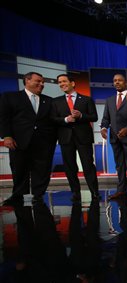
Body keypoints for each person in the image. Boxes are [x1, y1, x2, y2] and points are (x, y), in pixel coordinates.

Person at [0, 72, 57, 205]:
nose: (42, 84)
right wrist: (7, 136)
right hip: (18, 142)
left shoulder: (49, 100)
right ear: (27, 80)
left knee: (42, 169)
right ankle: (18, 195)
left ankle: (38, 195)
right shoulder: (10, 97)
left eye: (43, 82)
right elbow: (3, 118)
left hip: (43, 142)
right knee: (18, 168)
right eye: (38, 81)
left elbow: (53, 121)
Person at [50, 74, 100, 202]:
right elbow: (53, 119)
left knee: (88, 165)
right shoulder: (55, 101)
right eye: (59, 82)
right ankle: (75, 192)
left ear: (72, 83)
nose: (61, 84)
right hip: (66, 138)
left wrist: (81, 115)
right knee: (70, 166)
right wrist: (66, 119)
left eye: (64, 81)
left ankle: (94, 192)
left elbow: (94, 117)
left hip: (84, 137)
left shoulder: (87, 100)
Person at [101, 73, 127, 201]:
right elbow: (106, 118)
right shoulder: (109, 100)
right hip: (114, 138)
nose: (117, 82)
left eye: (120, 80)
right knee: (119, 165)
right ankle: (121, 191)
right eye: (115, 81)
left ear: (125, 83)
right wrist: (103, 127)